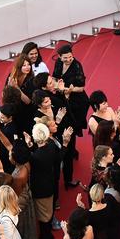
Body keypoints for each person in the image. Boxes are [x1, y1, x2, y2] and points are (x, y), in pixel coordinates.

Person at [52, 44, 88, 188]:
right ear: (60, 57)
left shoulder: (77, 66)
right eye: (65, 57)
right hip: (63, 98)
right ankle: (71, 150)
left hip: (77, 101)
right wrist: (56, 86)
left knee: (72, 127)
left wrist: (67, 90)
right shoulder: (58, 63)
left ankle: (71, 150)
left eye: (70, 57)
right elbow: (55, 77)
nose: (68, 59)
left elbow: (81, 87)